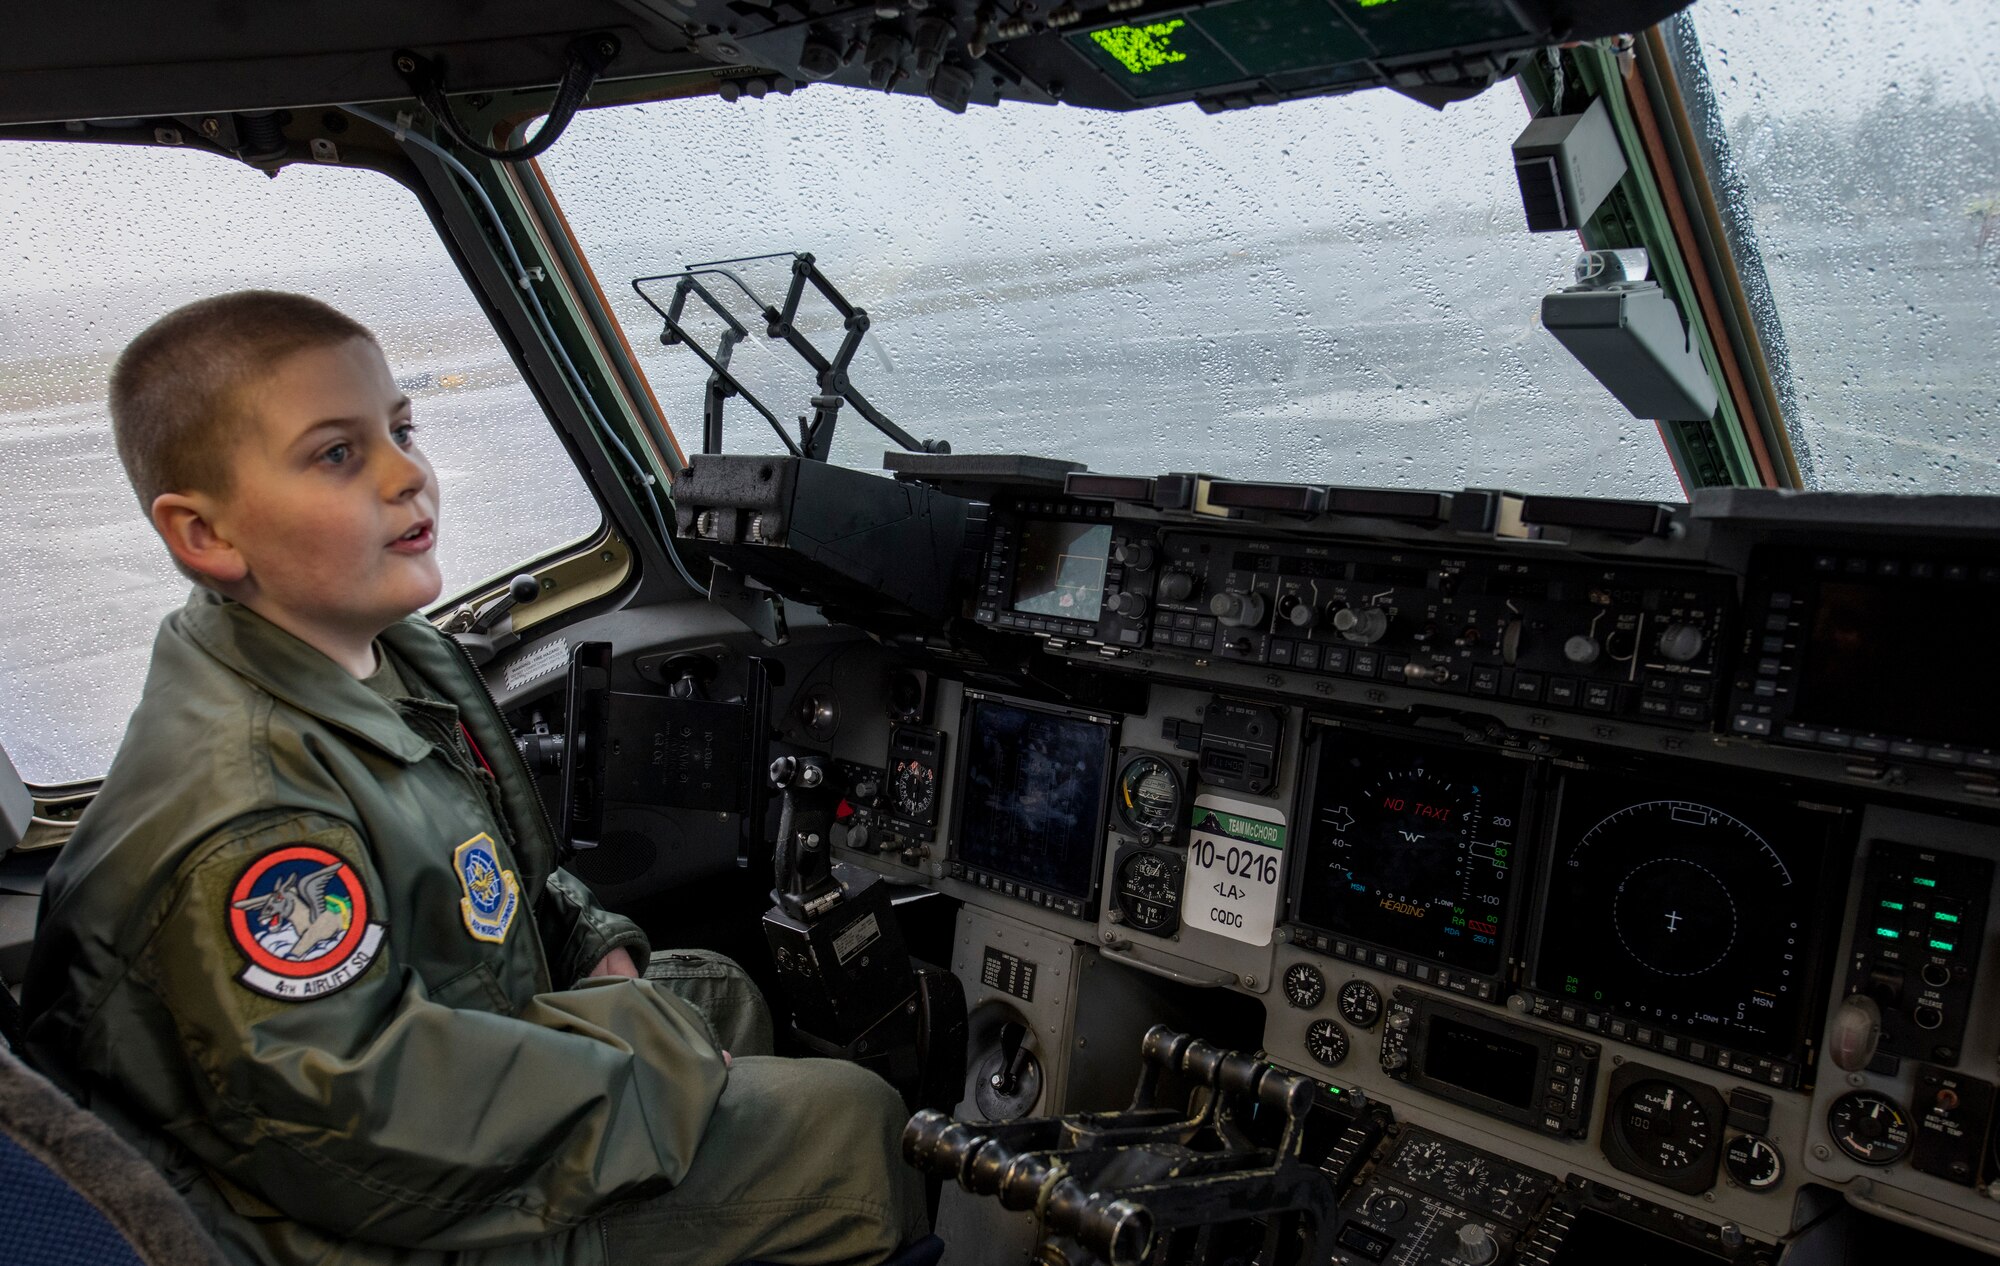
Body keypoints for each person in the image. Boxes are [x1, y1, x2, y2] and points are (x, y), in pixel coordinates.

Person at [21, 291, 927, 1266]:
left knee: (716, 992)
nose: (408, 474)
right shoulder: (251, 825)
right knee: (848, 1126)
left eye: (401, 430)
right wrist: (658, 1080)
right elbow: (358, 1117)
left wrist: (593, 948)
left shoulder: (390, 658)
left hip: (393, 1094)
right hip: (322, 1223)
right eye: (338, 453)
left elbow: (501, 867)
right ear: (205, 536)